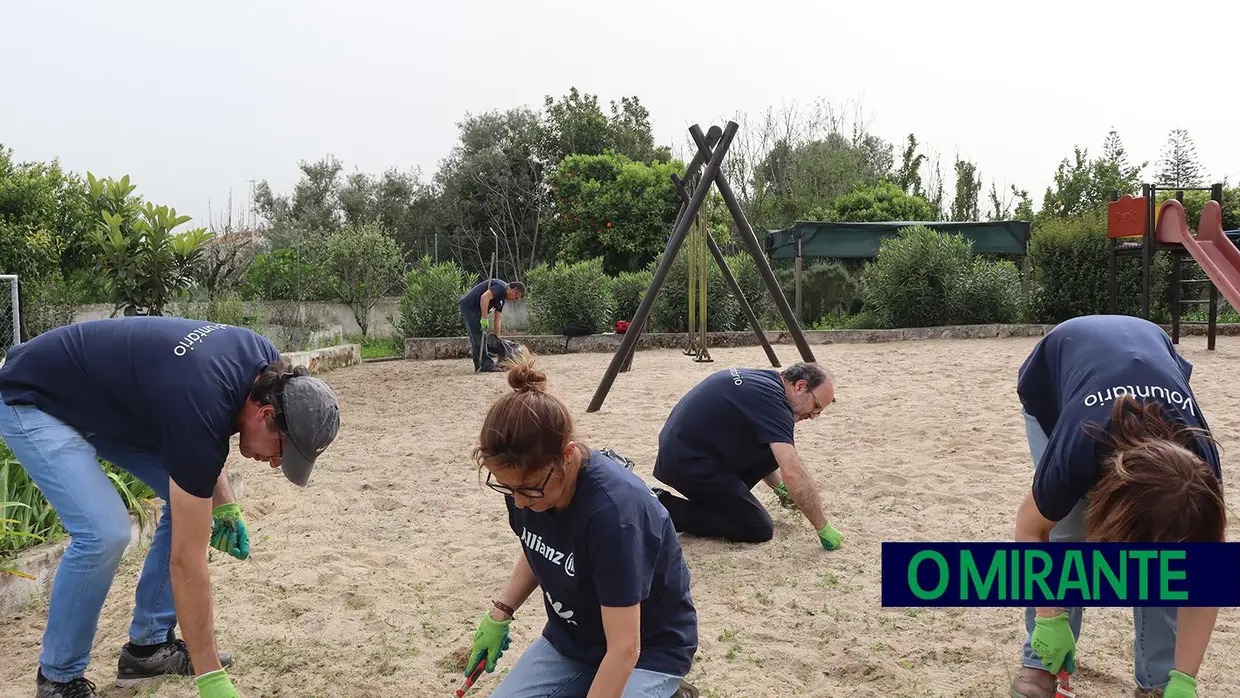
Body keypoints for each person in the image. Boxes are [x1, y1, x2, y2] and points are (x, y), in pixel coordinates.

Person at [0, 317, 341, 698]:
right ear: (265, 416)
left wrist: (225, 506)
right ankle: (58, 679)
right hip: (35, 396)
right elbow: (186, 562)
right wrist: (211, 679)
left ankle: (148, 649)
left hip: (103, 402)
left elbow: (206, 429)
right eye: (282, 452)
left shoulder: (264, 367)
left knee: (192, 507)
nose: (277, 464)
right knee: (104, 532)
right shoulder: (202, 397)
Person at [1010, 314, 1226, 698]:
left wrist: (1184, 679)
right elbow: (1032, 528)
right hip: (1059, 376)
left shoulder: (1202, 481)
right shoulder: (1076, 451)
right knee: (1068, 530)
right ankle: (1040, 664)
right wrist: (1048, 620)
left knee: (1167, 568)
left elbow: (1203, 585)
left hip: (1150, 351)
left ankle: (1159, 683)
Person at [465, 349, 699, 698]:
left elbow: (625, 649)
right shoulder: (525, 483)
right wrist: (501, 612)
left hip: (646, 649)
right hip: (573, 642)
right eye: (508, 488)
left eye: (527, 490)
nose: (519, 502)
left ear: (568, 457)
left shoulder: (613, 516)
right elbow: (537, 544)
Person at [651, 362, 844, 549]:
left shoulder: (765, 382)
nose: (813, 415)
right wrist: (822, 526)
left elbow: (761, 446)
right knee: (756, 527)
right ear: (801, 386)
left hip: (683, 450)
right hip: (688, 463)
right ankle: (659, 506)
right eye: (816, 406)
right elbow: (793, 471)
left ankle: (711, 502)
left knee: (774, 442)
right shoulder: (774, 405)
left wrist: (779, 487)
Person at [460, 277, 526, 373]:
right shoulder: (501, 287)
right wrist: (484, 318)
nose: (514, 300)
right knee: (478, 335)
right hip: (470, 306)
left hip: (476, 310)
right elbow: (484, 297)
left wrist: (497, 338)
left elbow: (497, 319)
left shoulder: (502, 300)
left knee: (480, 336)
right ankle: (487, 365)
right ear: (513, 290)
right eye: (516, 297)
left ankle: (480, 365)